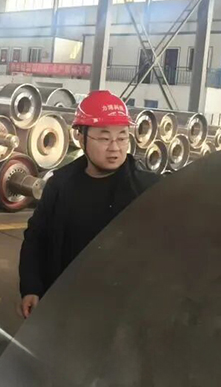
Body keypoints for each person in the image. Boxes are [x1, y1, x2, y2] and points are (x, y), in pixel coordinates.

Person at [19, 90, 158, 319]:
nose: (115, 147)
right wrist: (31, 286)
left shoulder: (147, 189)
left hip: (121, 312)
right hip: (63, 305)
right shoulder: (60, 185)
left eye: (122, 137)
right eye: (104, 138)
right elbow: (36, 238)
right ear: (81, 138)